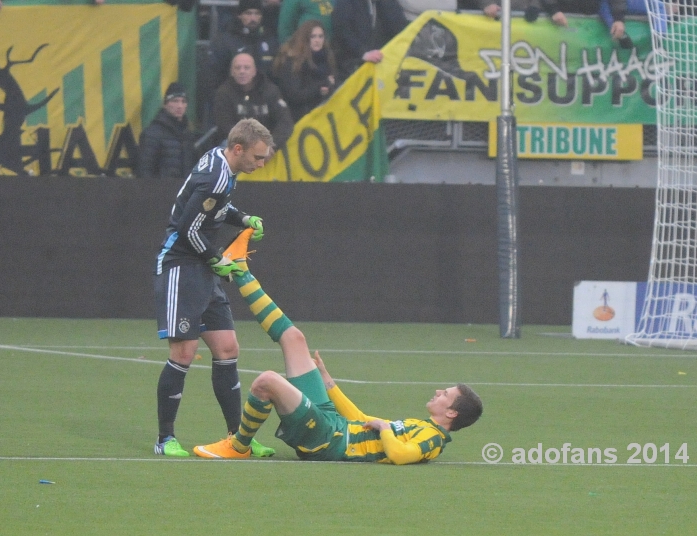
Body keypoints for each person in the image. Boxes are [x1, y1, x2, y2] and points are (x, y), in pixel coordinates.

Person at [193, 229, 484, 463]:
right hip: (333, 424)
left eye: (445, 394)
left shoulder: (432, 439)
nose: (438, 391)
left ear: (452, 413)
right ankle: (240, 269)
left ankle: (239, 444)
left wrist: (385, 429)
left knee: (267, 381)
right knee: (295, 339)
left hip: (327, 440)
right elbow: (360, 419)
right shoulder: (421, 426)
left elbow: (400, 455)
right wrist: (329, 382)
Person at [152, 118, 277, 458]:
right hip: (181, 264)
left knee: (227, 348)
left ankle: (237, 440)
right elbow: (186, 229)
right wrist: (216, 259)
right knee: (184, 353)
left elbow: (216, 210)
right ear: (238, 149)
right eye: (258, 157)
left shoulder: (223, 164)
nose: (261, 163)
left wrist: (244, 219)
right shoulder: (216, 177)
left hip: (202, 265)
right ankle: (165, 440)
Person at [213, 52, 295, 152]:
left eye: (246, 68)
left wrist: (271, 144)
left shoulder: (270, 91)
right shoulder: (224, 93)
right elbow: (225, 127)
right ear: (232, 72)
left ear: (254, 71)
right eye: (237, 68)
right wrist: (251, 146)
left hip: (269, 145)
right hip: (238, 145)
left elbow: (285, 122)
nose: (242, 71)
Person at [207, 0, 280, 95]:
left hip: (263, 97)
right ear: (239, 15)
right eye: (248, 13)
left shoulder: (270, 40)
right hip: (233, 97)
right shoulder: (226, 41)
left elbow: (276, 75)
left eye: (257, 13)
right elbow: (215, 75)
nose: (253, 18)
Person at [272, 20, 337, 122]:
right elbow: (294, 95)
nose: (317, 40)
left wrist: (330, 87)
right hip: (298, 118)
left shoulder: (327, 58)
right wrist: (320, 87)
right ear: (304, 38)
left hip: (321, 117)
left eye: (320, 36)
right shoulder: (292, 61)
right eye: (313, 36)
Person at [331, 0, 409, 83]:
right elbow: (342, 31)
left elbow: (399, 27)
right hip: (353, 65)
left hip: (382, 65)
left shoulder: (386, 3)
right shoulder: (346, 3)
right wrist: (363, 53)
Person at [137, 82, 197, 179]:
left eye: (183, 101)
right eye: (175, 101)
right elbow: (144, 171)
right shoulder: (152, 134)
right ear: (165, 104)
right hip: (159, 191)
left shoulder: (188, 135)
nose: (180, 106)